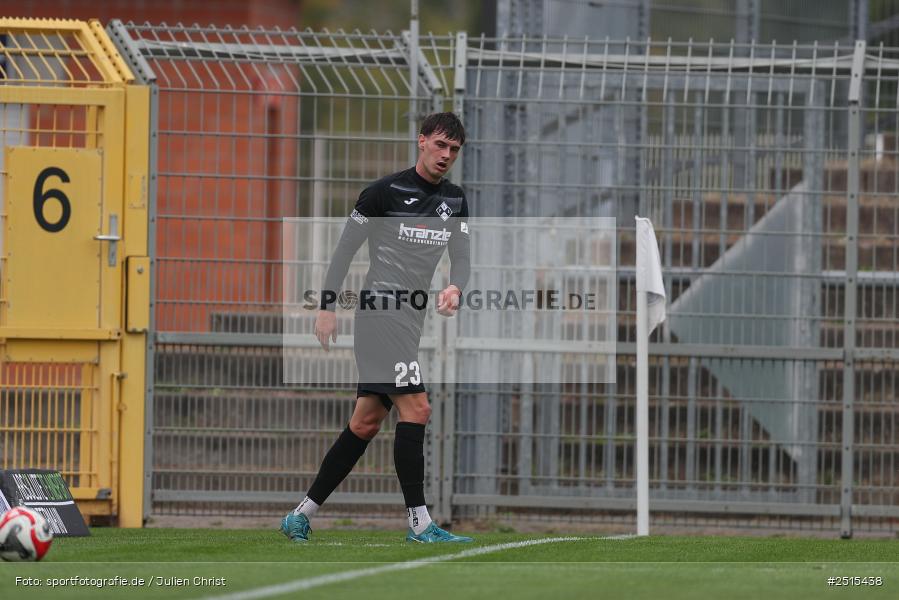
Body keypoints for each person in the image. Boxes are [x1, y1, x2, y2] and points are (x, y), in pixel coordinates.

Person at [281, 112, 472, 543]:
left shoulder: (455, 200)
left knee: (365, 423)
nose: (446, 155)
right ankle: (420, 524)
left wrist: (456, 286)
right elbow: (345, 250)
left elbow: (461, 254)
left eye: (454, 150)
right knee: (417, 409)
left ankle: (300, 514)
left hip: (409, 321)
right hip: (379, 314)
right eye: (440, 145)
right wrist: (327, 308)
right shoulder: (384, 192)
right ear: (421, 141)